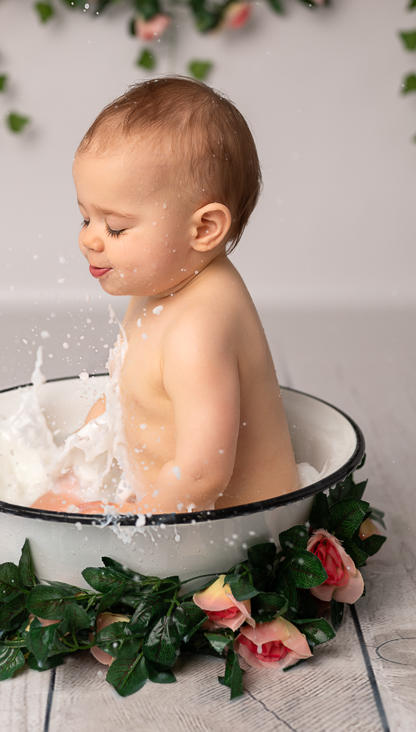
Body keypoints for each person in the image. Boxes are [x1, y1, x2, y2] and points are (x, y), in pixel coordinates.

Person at [34, 76, 298, 515]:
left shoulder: (200, 327)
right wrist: (74, 473)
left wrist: (118, 519)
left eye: (115, 227)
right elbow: (124, 394)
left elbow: (202, 475)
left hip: (240, 528)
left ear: (204, 229)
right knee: (47, 502)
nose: (90, 241)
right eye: (85, 219)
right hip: (171, 502)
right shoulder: (163, 281)